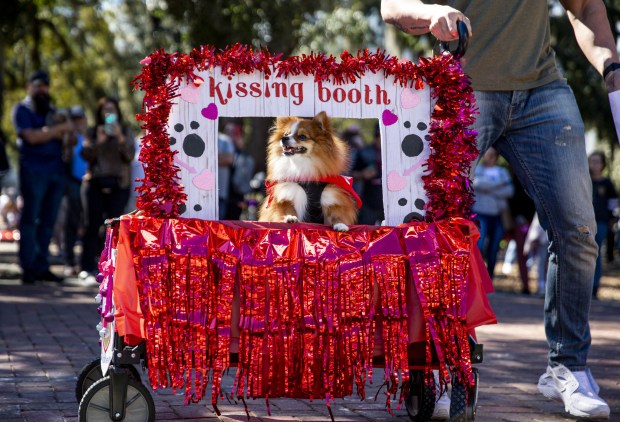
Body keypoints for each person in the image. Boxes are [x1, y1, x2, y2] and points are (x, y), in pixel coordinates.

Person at [381, 0, 619, 419]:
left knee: (579, 229)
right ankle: (438, 366)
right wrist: (430, 11)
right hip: (461, 84)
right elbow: (390, 6)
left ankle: (568, 367)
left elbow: (586, 8)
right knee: (435, 231)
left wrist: (612, 67)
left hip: (543, 91)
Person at [11, 70, 73, 284]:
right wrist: (57, 130)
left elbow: (66, 140)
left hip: (56, 172)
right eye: (37, 85)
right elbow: (31, 137)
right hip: (33, 172)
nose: (42, 89)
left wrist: (67, 131)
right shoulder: (21, 109)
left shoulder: (53, 112)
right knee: (30, 220)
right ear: (29, 86)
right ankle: (27, 267)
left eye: (45, 85)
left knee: (48, 222)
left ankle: (41, 265)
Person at [80, 96, 135, 279]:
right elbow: (86, 155)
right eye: (105, 110)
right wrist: (99, 142)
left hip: (119, 184)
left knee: (114, 226)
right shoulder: (93, 132)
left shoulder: (125, 131)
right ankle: (87, 267)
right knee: (91, 225)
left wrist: (119, 137)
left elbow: (130, 156)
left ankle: (113, 266)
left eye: (112, 109)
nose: (109, 113)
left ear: (118, 112)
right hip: (95, 182)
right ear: (100, 113)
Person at [471, 147, 514, 280]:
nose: (488, 157)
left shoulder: (502, 172)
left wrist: (486, 188)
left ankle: (489, 277)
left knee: (494, 247)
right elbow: (475, 184)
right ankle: (476, 276)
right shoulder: (477, 169)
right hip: (480, 214)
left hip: (497, 215)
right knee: (479, 245)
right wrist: (497, 185)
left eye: (491, 155)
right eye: (486, 155)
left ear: (496, 157)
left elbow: (509, 191)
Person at [61, 106, 89, 277]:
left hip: (89, 183)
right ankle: (69, 261)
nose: (78, 122)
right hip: (72, 181)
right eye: (74, 119)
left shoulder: (90, 136)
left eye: (80, 118)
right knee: (71, 222)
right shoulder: (68, 137)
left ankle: (85, 262)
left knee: (87, 223)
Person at [587, 151, 618, 299]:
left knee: (596, 254)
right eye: (592, 161)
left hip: (601, 223)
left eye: (598, 161)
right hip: (584, 223)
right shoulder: (584, 180)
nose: (594, 164)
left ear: (603, 164)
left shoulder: (607, 183)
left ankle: (594, 287)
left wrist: (612, 219)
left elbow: (613, 203)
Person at [351, 123, 383, 225]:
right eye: (380, 137)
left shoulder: (397, 153)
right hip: (368, 203)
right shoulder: (364, 152)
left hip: (391, 204)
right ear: (376, 136)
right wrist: (362, 174)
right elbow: (351, 175)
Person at [224, 122, 255, 220]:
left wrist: (240, 199)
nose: (231, 137)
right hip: (223, 197)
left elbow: (243, 177)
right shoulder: (221, 151)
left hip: (236, 199)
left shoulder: (243, 157)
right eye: (228, 133)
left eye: (234, 134)